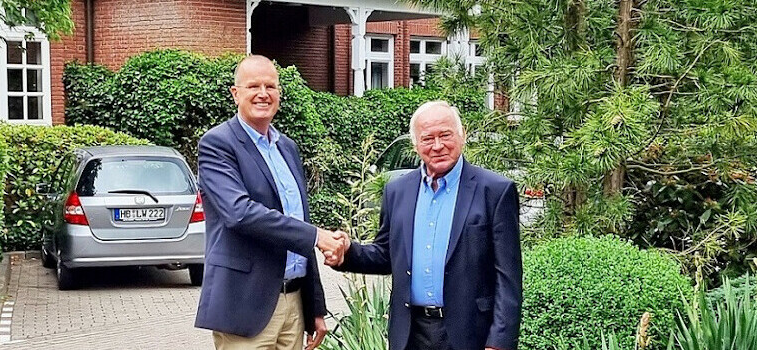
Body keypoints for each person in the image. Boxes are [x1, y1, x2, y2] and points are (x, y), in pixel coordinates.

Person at [325, 101, 524, 350]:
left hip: (471, 333)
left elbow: (508, 275)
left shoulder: (494, 191)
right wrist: (347, 253)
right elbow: (386, 255)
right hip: (410, 333)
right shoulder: (397, 190)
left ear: (462, 136)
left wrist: (500, 342)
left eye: (445, 135)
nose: (438, 146)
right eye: (428, 138)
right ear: (416, 145)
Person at [194, 55, 349, 350]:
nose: (263, 94)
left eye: (270, 86)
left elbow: (297, 224)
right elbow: (239, 213)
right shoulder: (217, 144)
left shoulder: (287, 148)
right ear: (235, 93)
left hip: (294, 306)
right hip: (245, 307)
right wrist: (317, 236)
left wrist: (315, 306)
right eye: (253, 86)